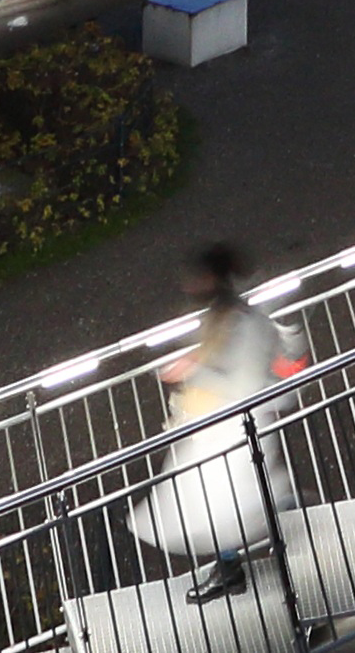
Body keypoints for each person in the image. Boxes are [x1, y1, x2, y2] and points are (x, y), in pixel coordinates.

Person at [133, 240, 299, 592]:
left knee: (214, 502)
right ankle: (242, 558)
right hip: (223, 424)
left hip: (239, 425)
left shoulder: (242, 323)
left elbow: (243, 382)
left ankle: (241, 562)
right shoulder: (226, 318)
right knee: (211, 502)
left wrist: (194, 371)